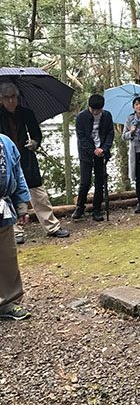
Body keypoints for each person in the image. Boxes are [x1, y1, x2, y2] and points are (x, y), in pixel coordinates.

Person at [0, 82, 70, 243]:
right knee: (9, 193)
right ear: (1, 99)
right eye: (7, 98)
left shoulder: (26, 113)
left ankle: (51, 226)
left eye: (13, 97)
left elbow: (37, 134)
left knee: (38, 193)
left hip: (26, 157)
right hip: (6, 160)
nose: (11, 101)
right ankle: (16, 230)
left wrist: (35, 143)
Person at [0, 134, 32, 320]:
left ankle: (8, 301)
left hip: (3, 206)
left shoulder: (6, 142)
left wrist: (22, 206)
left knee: (7, 257)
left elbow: (18, 173)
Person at [73, 94, 114, 222]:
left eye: (98, 110)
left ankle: (97, 209)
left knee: (100, 182)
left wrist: (104, 149)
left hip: (101, 153)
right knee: (85, 182)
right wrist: (93, 150)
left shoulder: (107, 116)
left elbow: (110, 134)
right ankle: (80, 207)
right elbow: (81, 137)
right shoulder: (81, 117)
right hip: (86, 154)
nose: (96, 112)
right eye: (93, 110)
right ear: (89, 107)